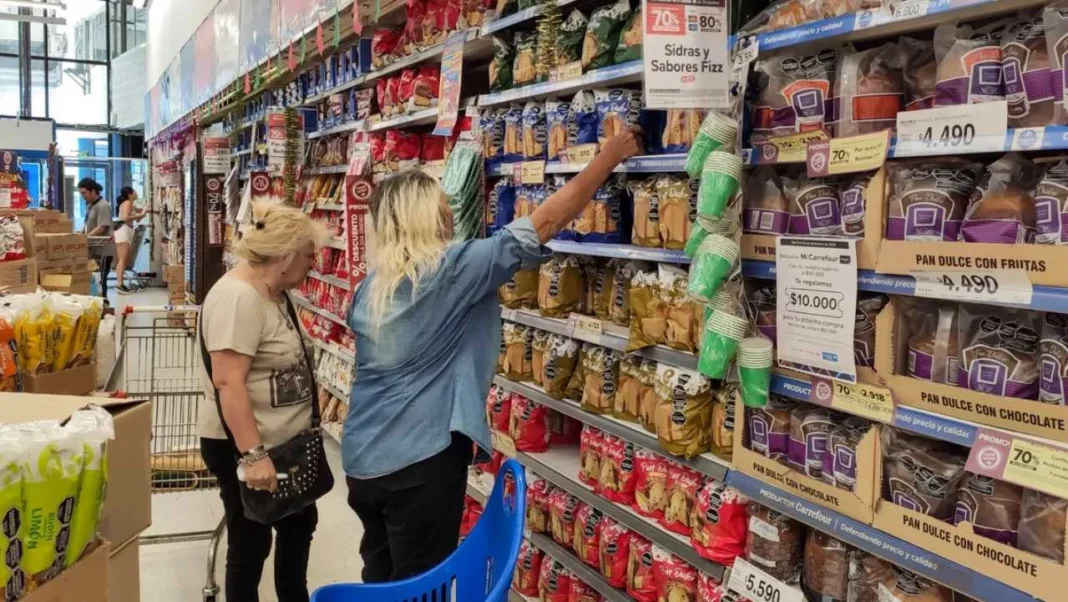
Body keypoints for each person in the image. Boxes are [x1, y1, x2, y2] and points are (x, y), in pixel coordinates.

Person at [342, 127, 642, 582]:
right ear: (426, 214)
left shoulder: (371, 287)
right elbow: (543, 223)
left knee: (382, 580)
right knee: (423, 587)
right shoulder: (450, 270)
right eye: (441, 201)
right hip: (420, 460)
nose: (449, 207)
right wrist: (607, 158)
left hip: (363, 461)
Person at [197, 202, 327, 602]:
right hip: (247, 445)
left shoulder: (272, 291)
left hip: (285, 443)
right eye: (309, 256)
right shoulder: (239, 298)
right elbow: (229, 382)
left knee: (298, 524)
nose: (314, 264)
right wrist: (253, 456)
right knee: (250, 541)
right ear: (286, 256)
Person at [79, 177, 115, 296]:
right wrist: (79, 234)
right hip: (92, 250)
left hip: (103, 251)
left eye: (84, 193)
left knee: (101, 278)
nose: (83, 196)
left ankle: (103, 304)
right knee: (93, 277)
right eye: (81, 193)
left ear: (93, 191)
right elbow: (87, 224)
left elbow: (102, 227)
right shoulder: (91, 205)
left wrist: (86, 237)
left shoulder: (103, 205)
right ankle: (95, 303)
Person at [113, 186, 147, 295]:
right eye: (135, 191)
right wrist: (142, 214)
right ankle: (119, 284)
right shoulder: (127, 202)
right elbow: (125, 218)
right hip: (122, 231)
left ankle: (120, 283)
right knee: (122, 259)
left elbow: (138, 215)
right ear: (130, 194)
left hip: (126, 231)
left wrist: (144, 211)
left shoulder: (131, 204)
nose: (136, 193)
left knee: (125, 259)